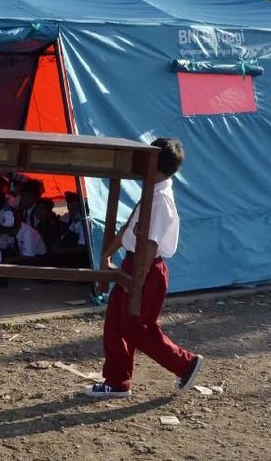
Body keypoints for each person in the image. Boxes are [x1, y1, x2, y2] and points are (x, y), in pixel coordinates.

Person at [85, 137, 203, 398]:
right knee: (115, 323)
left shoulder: (161, 200)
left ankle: (185, 364)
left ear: (155, 164)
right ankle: (116, 382)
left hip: (146, 269)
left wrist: (136, 280)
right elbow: (129, 228)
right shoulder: (151, 192)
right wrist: (107, 255)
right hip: (132, 264)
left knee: (137, 327)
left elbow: (150, 245)